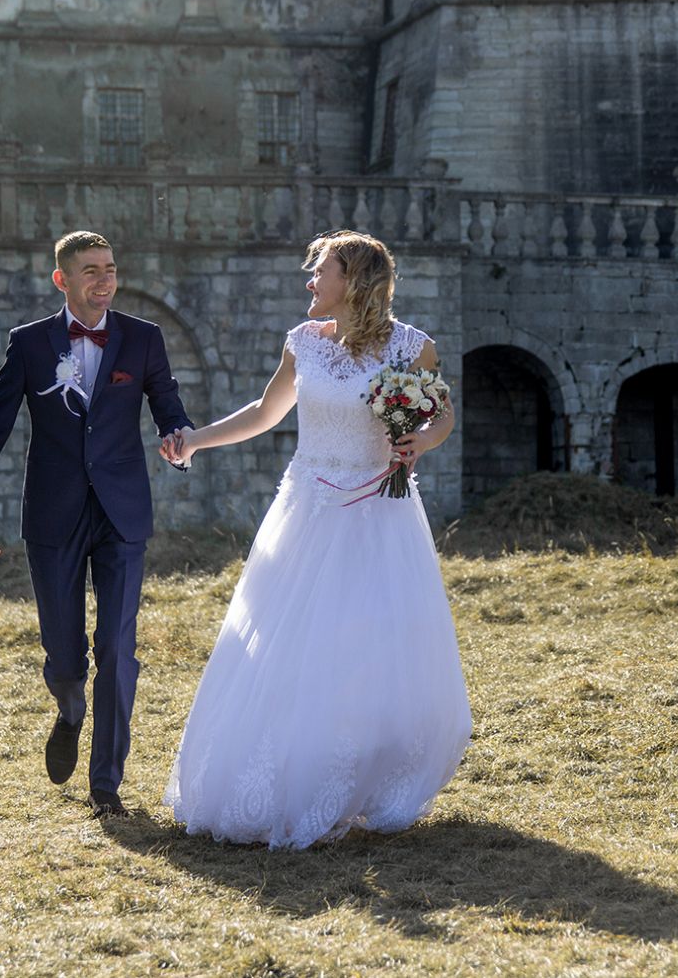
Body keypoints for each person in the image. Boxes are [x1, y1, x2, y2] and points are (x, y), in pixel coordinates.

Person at [157, 230, 472, 849]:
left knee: (366, 644)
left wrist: (421, 441)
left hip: (378, 514)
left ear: (353, 282)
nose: (310, 281)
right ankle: (290, 772)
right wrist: (195, 440)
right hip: (307, 510)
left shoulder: (414, 347)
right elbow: (264, 412)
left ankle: (361, 777)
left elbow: (441, 415)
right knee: (290, 642)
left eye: (320, 271)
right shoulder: (302, 343)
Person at [0, 230, 192, 818]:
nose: (104, 280)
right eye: (91, 270)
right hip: (52, 513)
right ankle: (68, 708)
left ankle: (106, 784)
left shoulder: (144, 338)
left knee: (117, 647)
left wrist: (178, 438)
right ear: (62, 279)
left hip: (122, 513)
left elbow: (168, 405)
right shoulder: (29, 343)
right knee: (65, 656)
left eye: (110, 269)